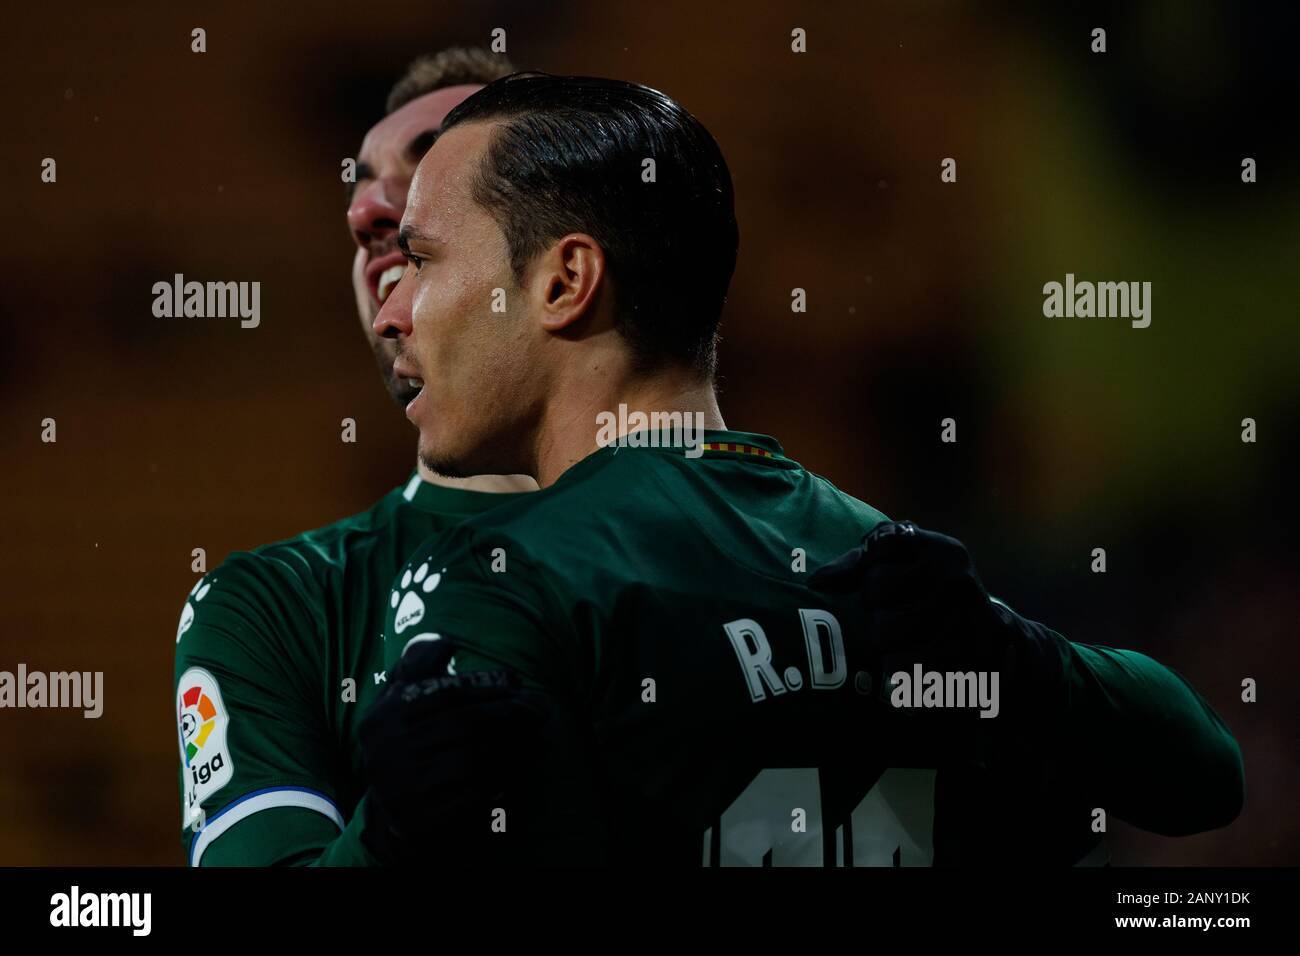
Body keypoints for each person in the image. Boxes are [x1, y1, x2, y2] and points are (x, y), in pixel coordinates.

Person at [362, 73, 1245, 865]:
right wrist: (1018, 660)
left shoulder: (504, 577)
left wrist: (386, 835)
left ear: (565, 283)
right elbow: (1205, 778)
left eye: (424, 260)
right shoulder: (888, 571)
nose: (392, 309)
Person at [172, 48, 536, 867]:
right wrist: (394, 829)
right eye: (362, 184)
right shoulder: (277, 607)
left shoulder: (760, 550)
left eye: (433, 165)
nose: (367, 210)